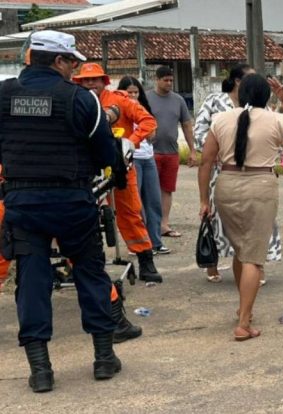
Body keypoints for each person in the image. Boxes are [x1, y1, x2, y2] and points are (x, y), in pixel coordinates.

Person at [0, 30, 123, 392]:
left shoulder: (3, 95)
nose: (75, 69)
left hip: (23, 203)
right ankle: (103, 359)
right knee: (90, 274)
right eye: (72, 62)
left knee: (32, 281)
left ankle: (40, 370)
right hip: (72, 202)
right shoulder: (80, 99)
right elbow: (105, 154)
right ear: (57, 61)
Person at [198, 74, 283, 340]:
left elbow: (206, 163)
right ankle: (243, 322)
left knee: (241, 250)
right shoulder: (275, 118)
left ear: (240, 93)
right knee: (253, 256)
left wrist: (204, 200)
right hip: (259, 185)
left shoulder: (221, 119)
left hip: (225, 185)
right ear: (266, 96)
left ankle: (243, 309)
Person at [73, 64, 164, 283]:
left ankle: (146, 262)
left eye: (95, 79)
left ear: (104, 81)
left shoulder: (120, 101)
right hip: (87, 171)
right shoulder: (74, 103)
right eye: (86, 80)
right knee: (78, 217)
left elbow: (148, 121)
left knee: (131, 214)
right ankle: (75, 266)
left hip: (119, 168)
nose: (90, 83)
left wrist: (130, 143)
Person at [193, 64, 270, 283]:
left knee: (256, 219)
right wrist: (214, 150)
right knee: (217, 218)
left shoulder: (258, 103)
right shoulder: (214, 102)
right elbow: (200, 132)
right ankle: (212, 263)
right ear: (238, 81)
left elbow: (273, 130)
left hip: (253, 170)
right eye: (251, 77)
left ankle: (255, 267)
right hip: (221, 171)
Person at [116, 76, 170, 256]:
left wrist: (147, 133)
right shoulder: (117, 109)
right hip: (131, 159)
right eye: (129, 92)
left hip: (148, 157)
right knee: (135, 204)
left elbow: (152, 132)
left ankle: (155, 242)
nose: (132, 95)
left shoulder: (142, 109)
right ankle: (140, 244)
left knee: (153, 201)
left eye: (135, 92)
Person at [146, 66, 195, 238]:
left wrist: (192, 150)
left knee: (167, 189)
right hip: (150, 152)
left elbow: (187, 125)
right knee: (149, 191)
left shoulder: (178, 100)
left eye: (171, 80)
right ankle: (148, 225)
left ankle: (164, 224)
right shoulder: (147, 98)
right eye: (165, 80)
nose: (168, 83)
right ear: (157, 80)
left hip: (171, 153)